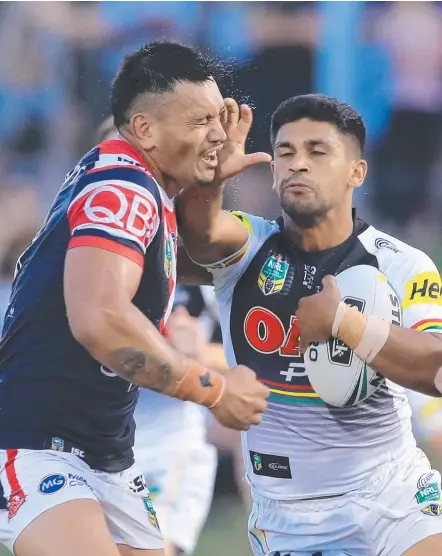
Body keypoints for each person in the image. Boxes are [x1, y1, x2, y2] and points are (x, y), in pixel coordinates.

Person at [0, 41, 270, 556]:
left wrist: (210, 187)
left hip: (107, 456)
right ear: (144, 128)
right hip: (39, 445)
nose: (218, 133)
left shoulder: (135, 180)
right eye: (200, 121)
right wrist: (212, 389)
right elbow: (100, 321)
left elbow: (195, 257)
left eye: (220, 118)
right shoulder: (124, 188)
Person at [177, 93, 442, 556]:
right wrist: (209, 182)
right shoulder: (247, 247)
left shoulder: (403, 264)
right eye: (285, 152)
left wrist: (345, 323)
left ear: (356, 172)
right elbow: (200, 239)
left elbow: (436, 370)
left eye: (318, 151)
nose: (298, 164)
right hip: (287, 517)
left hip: (393, 502)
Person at [95, 115, 226, 556]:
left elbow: (246, 361)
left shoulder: (192, 261)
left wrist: (193, 356)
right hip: (81, 441)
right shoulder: (71, 260)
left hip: (162, 446)